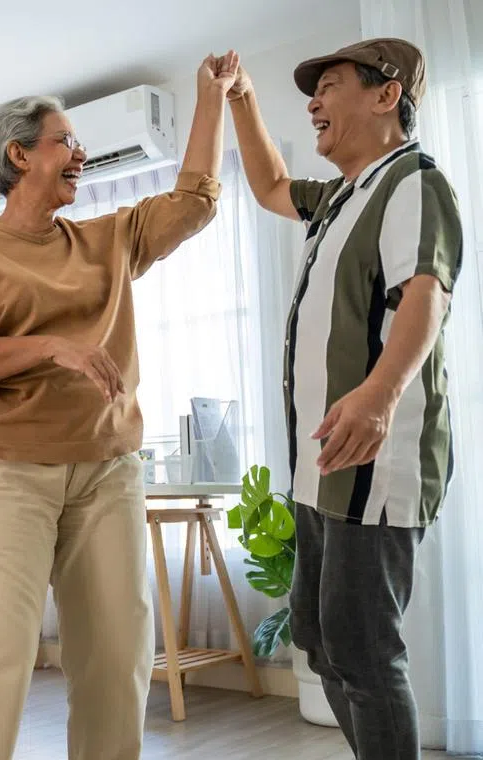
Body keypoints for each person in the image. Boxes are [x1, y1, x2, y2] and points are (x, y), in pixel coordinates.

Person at [0, 53, 238, 760]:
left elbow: (194, 202)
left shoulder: (106, 241)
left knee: (118, 657)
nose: (81, 153)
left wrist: (211, 96)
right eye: (66, 140)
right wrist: (49, 347)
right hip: (1, 470)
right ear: (19, 155)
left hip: (105, 471)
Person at [224, 39, 462, 759]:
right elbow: (270, 184)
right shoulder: (338, 198)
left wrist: (380, 396)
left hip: (377, 457)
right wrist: (242, 98)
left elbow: (425, 293)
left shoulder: (413, 180)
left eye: (328, 87)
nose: (314, 104)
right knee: (322, 641)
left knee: (362, 649)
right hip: (322, 466)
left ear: (387, 95)